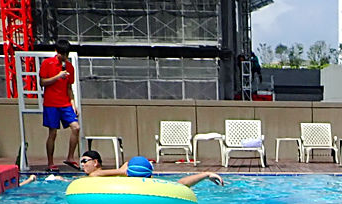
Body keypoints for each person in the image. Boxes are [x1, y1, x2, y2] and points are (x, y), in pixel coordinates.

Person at [39, 39, 81, 171]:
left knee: (76, 127)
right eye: (62, 54)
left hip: (65, 103)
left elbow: (69, 87)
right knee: (53, 133)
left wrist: (73, 103)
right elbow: (42, 82)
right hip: (51, 103)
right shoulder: (47, 63)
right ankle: (50, 162)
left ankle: (70, 157)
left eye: (66, 54)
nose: (64, 57)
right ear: (56, 52)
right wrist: (57, 76)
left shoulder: (69, 67)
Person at [79, 151, 224, 188]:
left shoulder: (118, 184)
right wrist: (206, 174)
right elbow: (181, 184)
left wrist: (121, 171)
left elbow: (95, 175)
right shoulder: (157, 185)